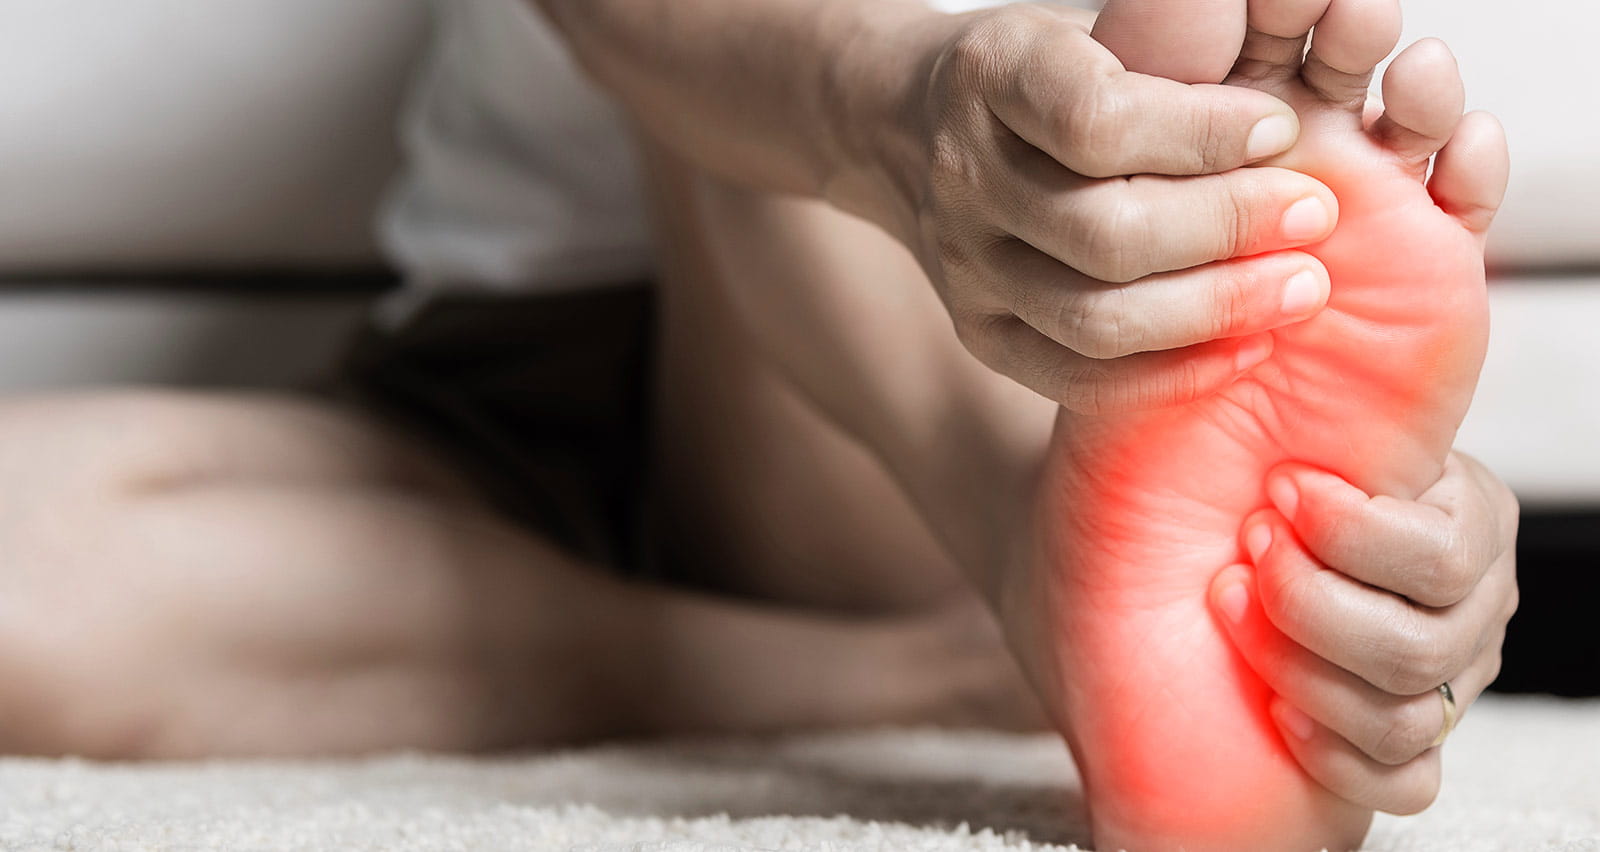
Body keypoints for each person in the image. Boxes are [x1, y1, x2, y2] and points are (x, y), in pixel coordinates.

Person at [0, 0, 1516, 849]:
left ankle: (1044, 528)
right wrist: (902, 102)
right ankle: (996, 641)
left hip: (860, 375)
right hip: (482, 411)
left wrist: (1401, 566)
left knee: (759, 119)